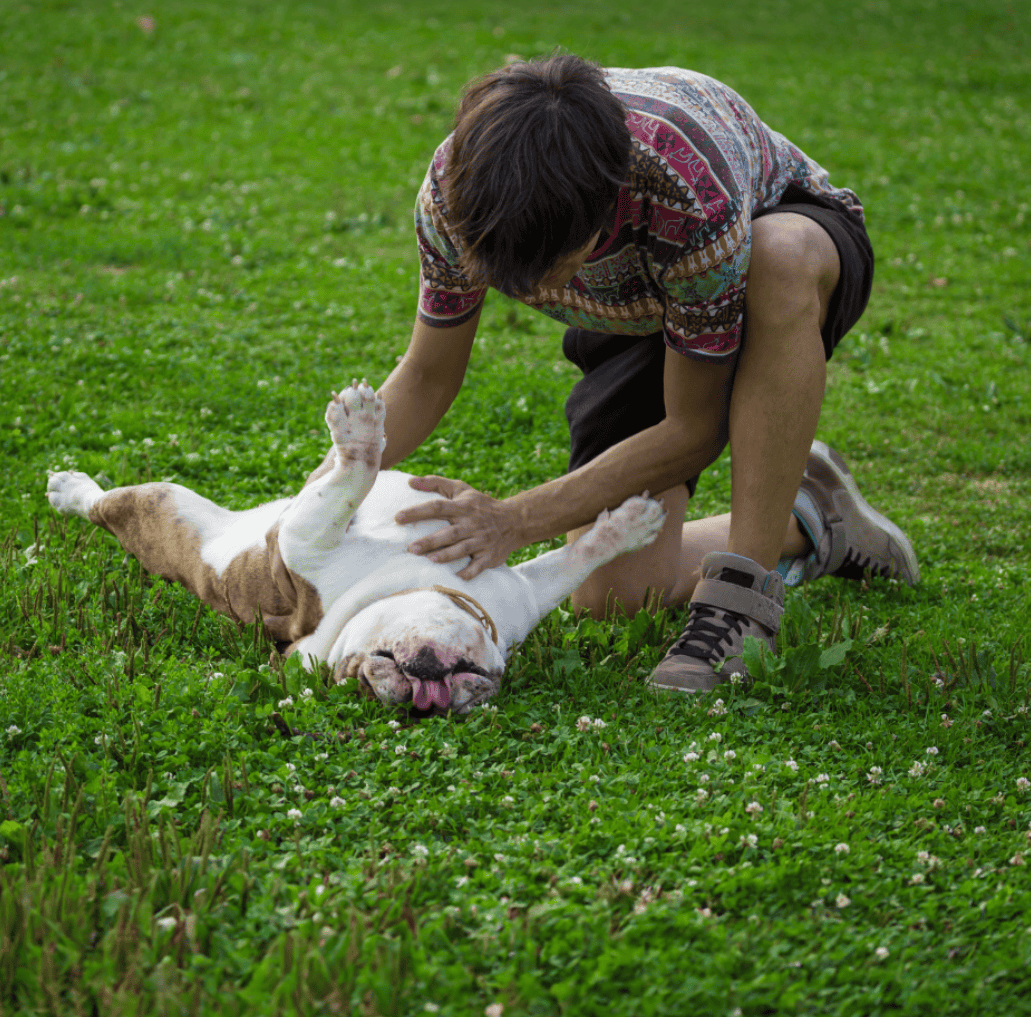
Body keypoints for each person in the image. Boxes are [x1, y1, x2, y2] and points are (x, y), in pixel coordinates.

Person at [365, 54, 918, 694]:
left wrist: (515, 519)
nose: (531, 291)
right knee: (615, 596)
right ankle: (814, 512)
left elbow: (692, 428)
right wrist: (314, 503)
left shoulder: (687, 190)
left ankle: (741, 601)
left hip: (772, 252)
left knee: (780, 256)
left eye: (547, 270)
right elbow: (427, 375)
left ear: (605, 213)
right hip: (642, 306)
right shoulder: (459, 191)